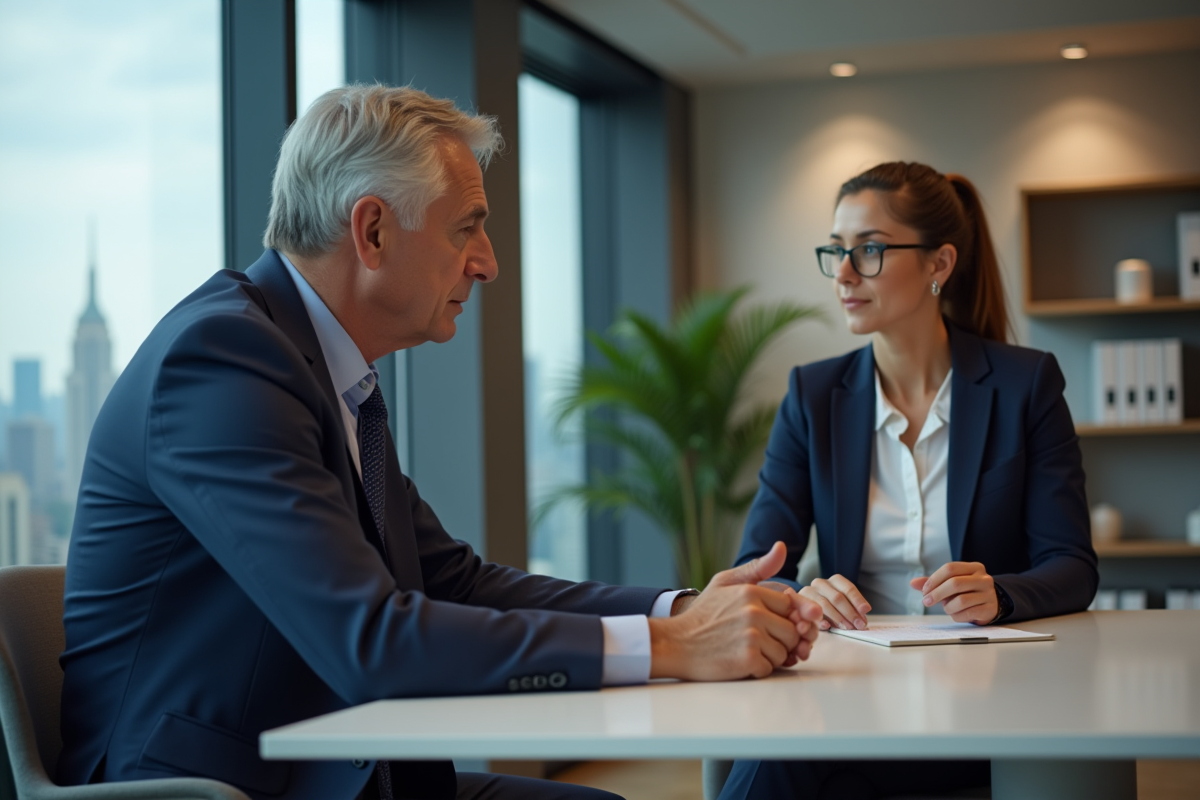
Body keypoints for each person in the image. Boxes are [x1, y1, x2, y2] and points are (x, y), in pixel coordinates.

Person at [58, 85, 824, 800]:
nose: (487, 262)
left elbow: (453, 581)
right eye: (467, 228)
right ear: (373, 230)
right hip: (218, 786)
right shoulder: (223, 363)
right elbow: (372, 642)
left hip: (324, 768)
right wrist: (671, 646)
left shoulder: (325, 373)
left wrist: (681, 606)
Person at [719, 162, 1098, 799]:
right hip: (849, 691)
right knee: (771, 760)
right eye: (836, 251)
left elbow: (1072, 565)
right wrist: (806, 594)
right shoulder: (813, 396)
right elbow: (757, 567)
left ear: (938, 264)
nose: (842, 273)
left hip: (998, 695)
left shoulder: (1025, 385)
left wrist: (999, 594)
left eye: (867, 250)